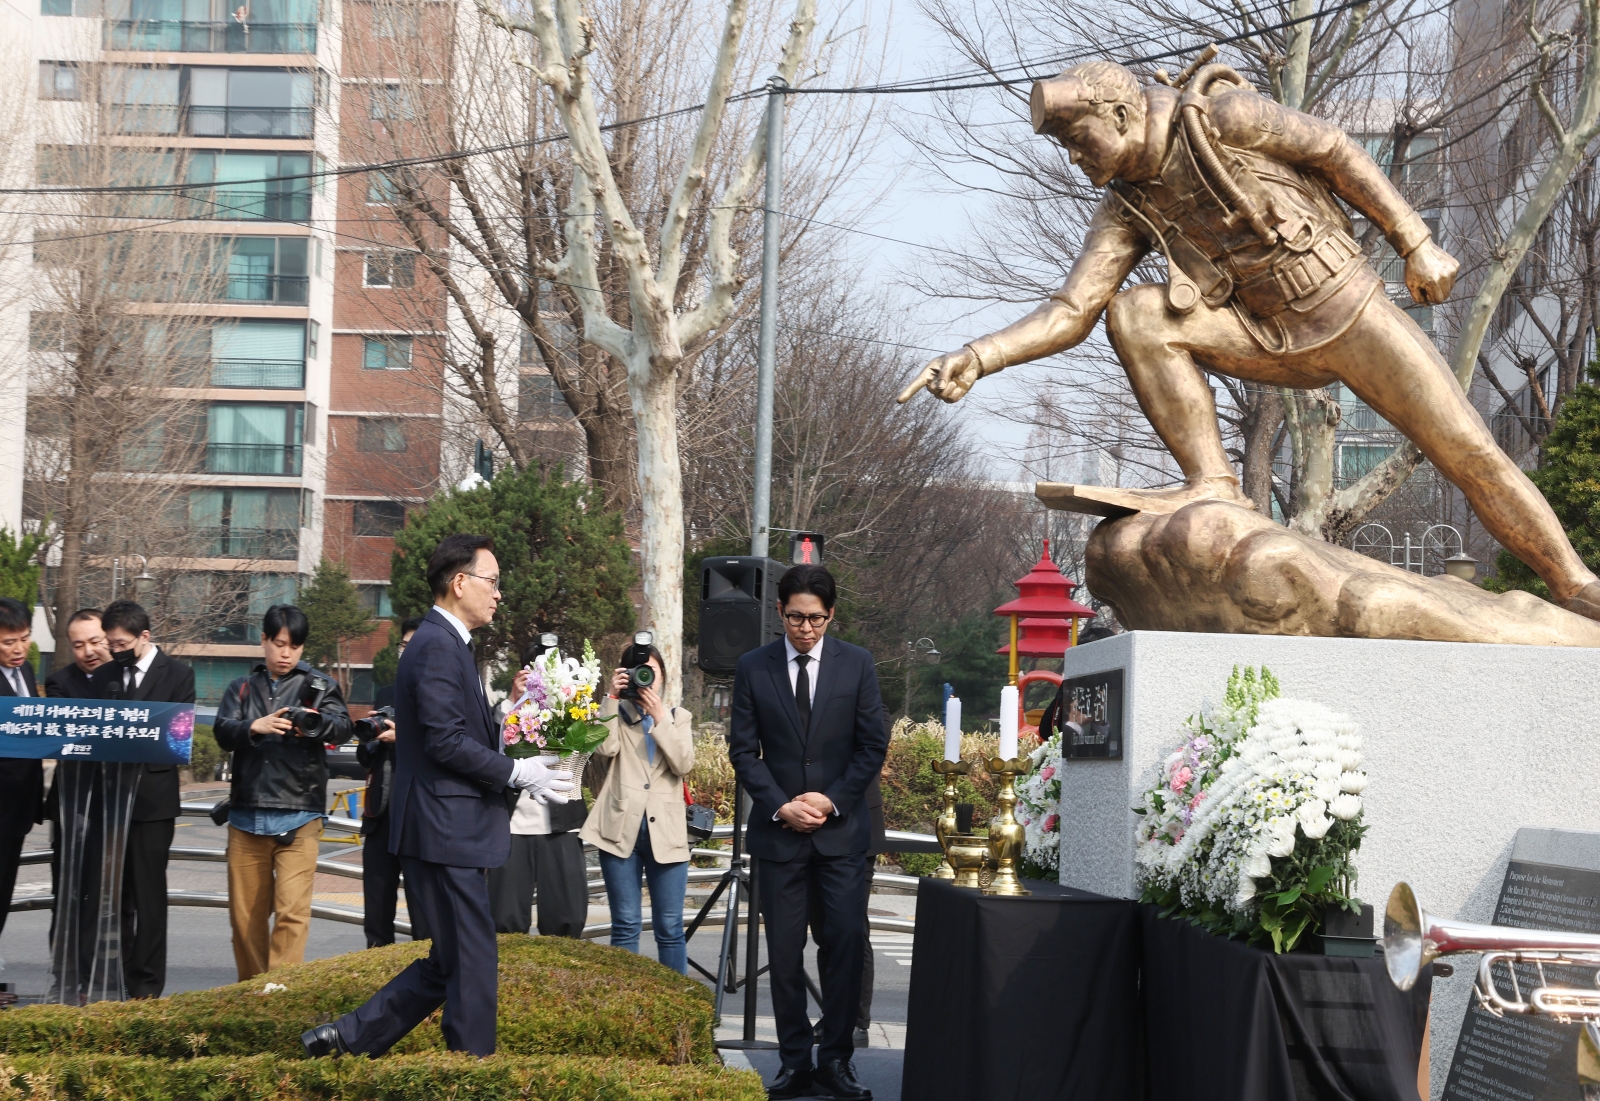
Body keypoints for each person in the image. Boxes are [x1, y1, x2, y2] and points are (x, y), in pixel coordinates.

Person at [900, 60, 1600, 623]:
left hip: (1348, 307)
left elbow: (1333, 149)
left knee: (1468, 450)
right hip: (1264, 334)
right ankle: (1213, 482)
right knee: (1137, 314)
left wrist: (1415, 242)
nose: (1079, 160)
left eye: (1081, 141)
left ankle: (1572, 581)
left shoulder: (1222, 116)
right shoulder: (1127, 203)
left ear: (1118, 114)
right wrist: (979, 355)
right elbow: (1074, 308)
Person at [302, 534, 572, 1059]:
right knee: (472, 963)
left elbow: (449, 735)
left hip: (448, 827)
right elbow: (446, 742)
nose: (498, 594)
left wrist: (513, 731)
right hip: (445, 829)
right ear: (459, 582)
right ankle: (470, 1071)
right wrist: (518, 773)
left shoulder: (446, 644)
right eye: (492, 582)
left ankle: (348, 1038)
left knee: (454, 961)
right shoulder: (434, 646)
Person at [728, 564, 889, 1101]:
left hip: (841, 835)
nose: (805, 628)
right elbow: (742, 752)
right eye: (795, 617)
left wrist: (832, 799)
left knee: (843, 943)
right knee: (783, 949)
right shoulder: (754, 667)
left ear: (831, 615)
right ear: (779, 612)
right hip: (779, 836)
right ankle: (795, 1062)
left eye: (816, 619)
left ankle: (836, 1059)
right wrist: (779, 807)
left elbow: (872, 745)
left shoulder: (857, 665)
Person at [214, 604, 353, 981]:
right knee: (246, 922)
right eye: (278, 644)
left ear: (303, 648)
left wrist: (316, 723)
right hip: (245, 818)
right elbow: (222, 731)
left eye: (294, 646)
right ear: (264, 640)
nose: (285, 654)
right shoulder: (241, 687)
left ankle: (278, 995)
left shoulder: (319, 687)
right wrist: (253, 727)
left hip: (298, 816)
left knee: (292, 913)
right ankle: (252, 994)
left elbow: (344, 727)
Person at [87, 599, 196, 999]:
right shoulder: (103, 679)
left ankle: (147, 985)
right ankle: (112, 976)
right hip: (111, 800)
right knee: (115, 896)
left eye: (120, 643)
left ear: (144, 636)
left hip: (153, 802)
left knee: (149, 894)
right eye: (110, 644)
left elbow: (177, 735)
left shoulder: (178, 674)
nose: (113, 650)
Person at [579, 641, 694, 972]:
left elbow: (683, 763)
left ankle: (677, 1008)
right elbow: (604, 748)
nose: (646, 679)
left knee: (670, 928)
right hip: (619, 829)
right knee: (626, 924)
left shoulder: (678, 717)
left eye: (652, 672)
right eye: (638, 673)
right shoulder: (616, 713)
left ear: (662, 676)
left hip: (668, 833)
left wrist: (660, 718)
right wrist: (610, 697)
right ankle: (624, 1010)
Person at [489, 636, 590, 939]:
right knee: (504, 921)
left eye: (550, 672)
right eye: (536, 672)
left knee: (567, 919)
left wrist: (573, 706)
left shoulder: (573, 709)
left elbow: (588, 753)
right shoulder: (503, 710)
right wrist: (513, 701)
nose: (542, 681)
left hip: (561, 825)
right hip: (511, 827)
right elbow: (486, 756)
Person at [43, 608, 111, 998]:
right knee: (67, 892)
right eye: (79, 644)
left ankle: (100, 975)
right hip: (73, 806)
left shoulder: (124, 678)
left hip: (114, 805)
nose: (87, 651)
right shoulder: (59, 682)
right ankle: (65, 976)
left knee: (106, 896)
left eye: (95, 641)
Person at [359, 616, 429, 947]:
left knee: (425, 920)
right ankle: (376, 989)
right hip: (382, 816)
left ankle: (426, 990)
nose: (407, 652)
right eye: (404, 646)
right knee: (376, 918)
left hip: (422, 820)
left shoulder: (442, 695)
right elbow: (364, 756)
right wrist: (371, 738)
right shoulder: (387, 693)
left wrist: (405, 739)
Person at [813, 772, 884, 1050]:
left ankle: (856, 1020)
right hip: (811, 826)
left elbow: (869, 749)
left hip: (856, 821)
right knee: (823, 933)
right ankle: (832, 1015)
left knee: (851, 930)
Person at [0, 598, 43, 949]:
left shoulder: (27, 672)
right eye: (8, 642)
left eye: (24, 638)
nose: (18, 649)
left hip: (17, 811)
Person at [45, 609, 110, 698]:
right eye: (79, 646)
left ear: (110, 639)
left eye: (95, 642)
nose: (88, 652)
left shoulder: (130, 674)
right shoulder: (60, 684)